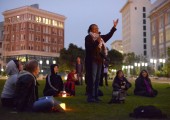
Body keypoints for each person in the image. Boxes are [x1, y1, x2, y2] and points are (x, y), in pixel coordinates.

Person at [85, 19, 118, 102]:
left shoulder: (101, 38)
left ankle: (96, 96)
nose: (97, 30)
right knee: (92, 79)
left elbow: (108, 35)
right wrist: (97, 42)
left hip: (99, 60)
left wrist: (114, 27)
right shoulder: (88, 37)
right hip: (92, 60)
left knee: (97, 79)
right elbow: (89, 49)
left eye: (97, 28)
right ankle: (90, 97)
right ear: (91, 30)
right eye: (95, 28)